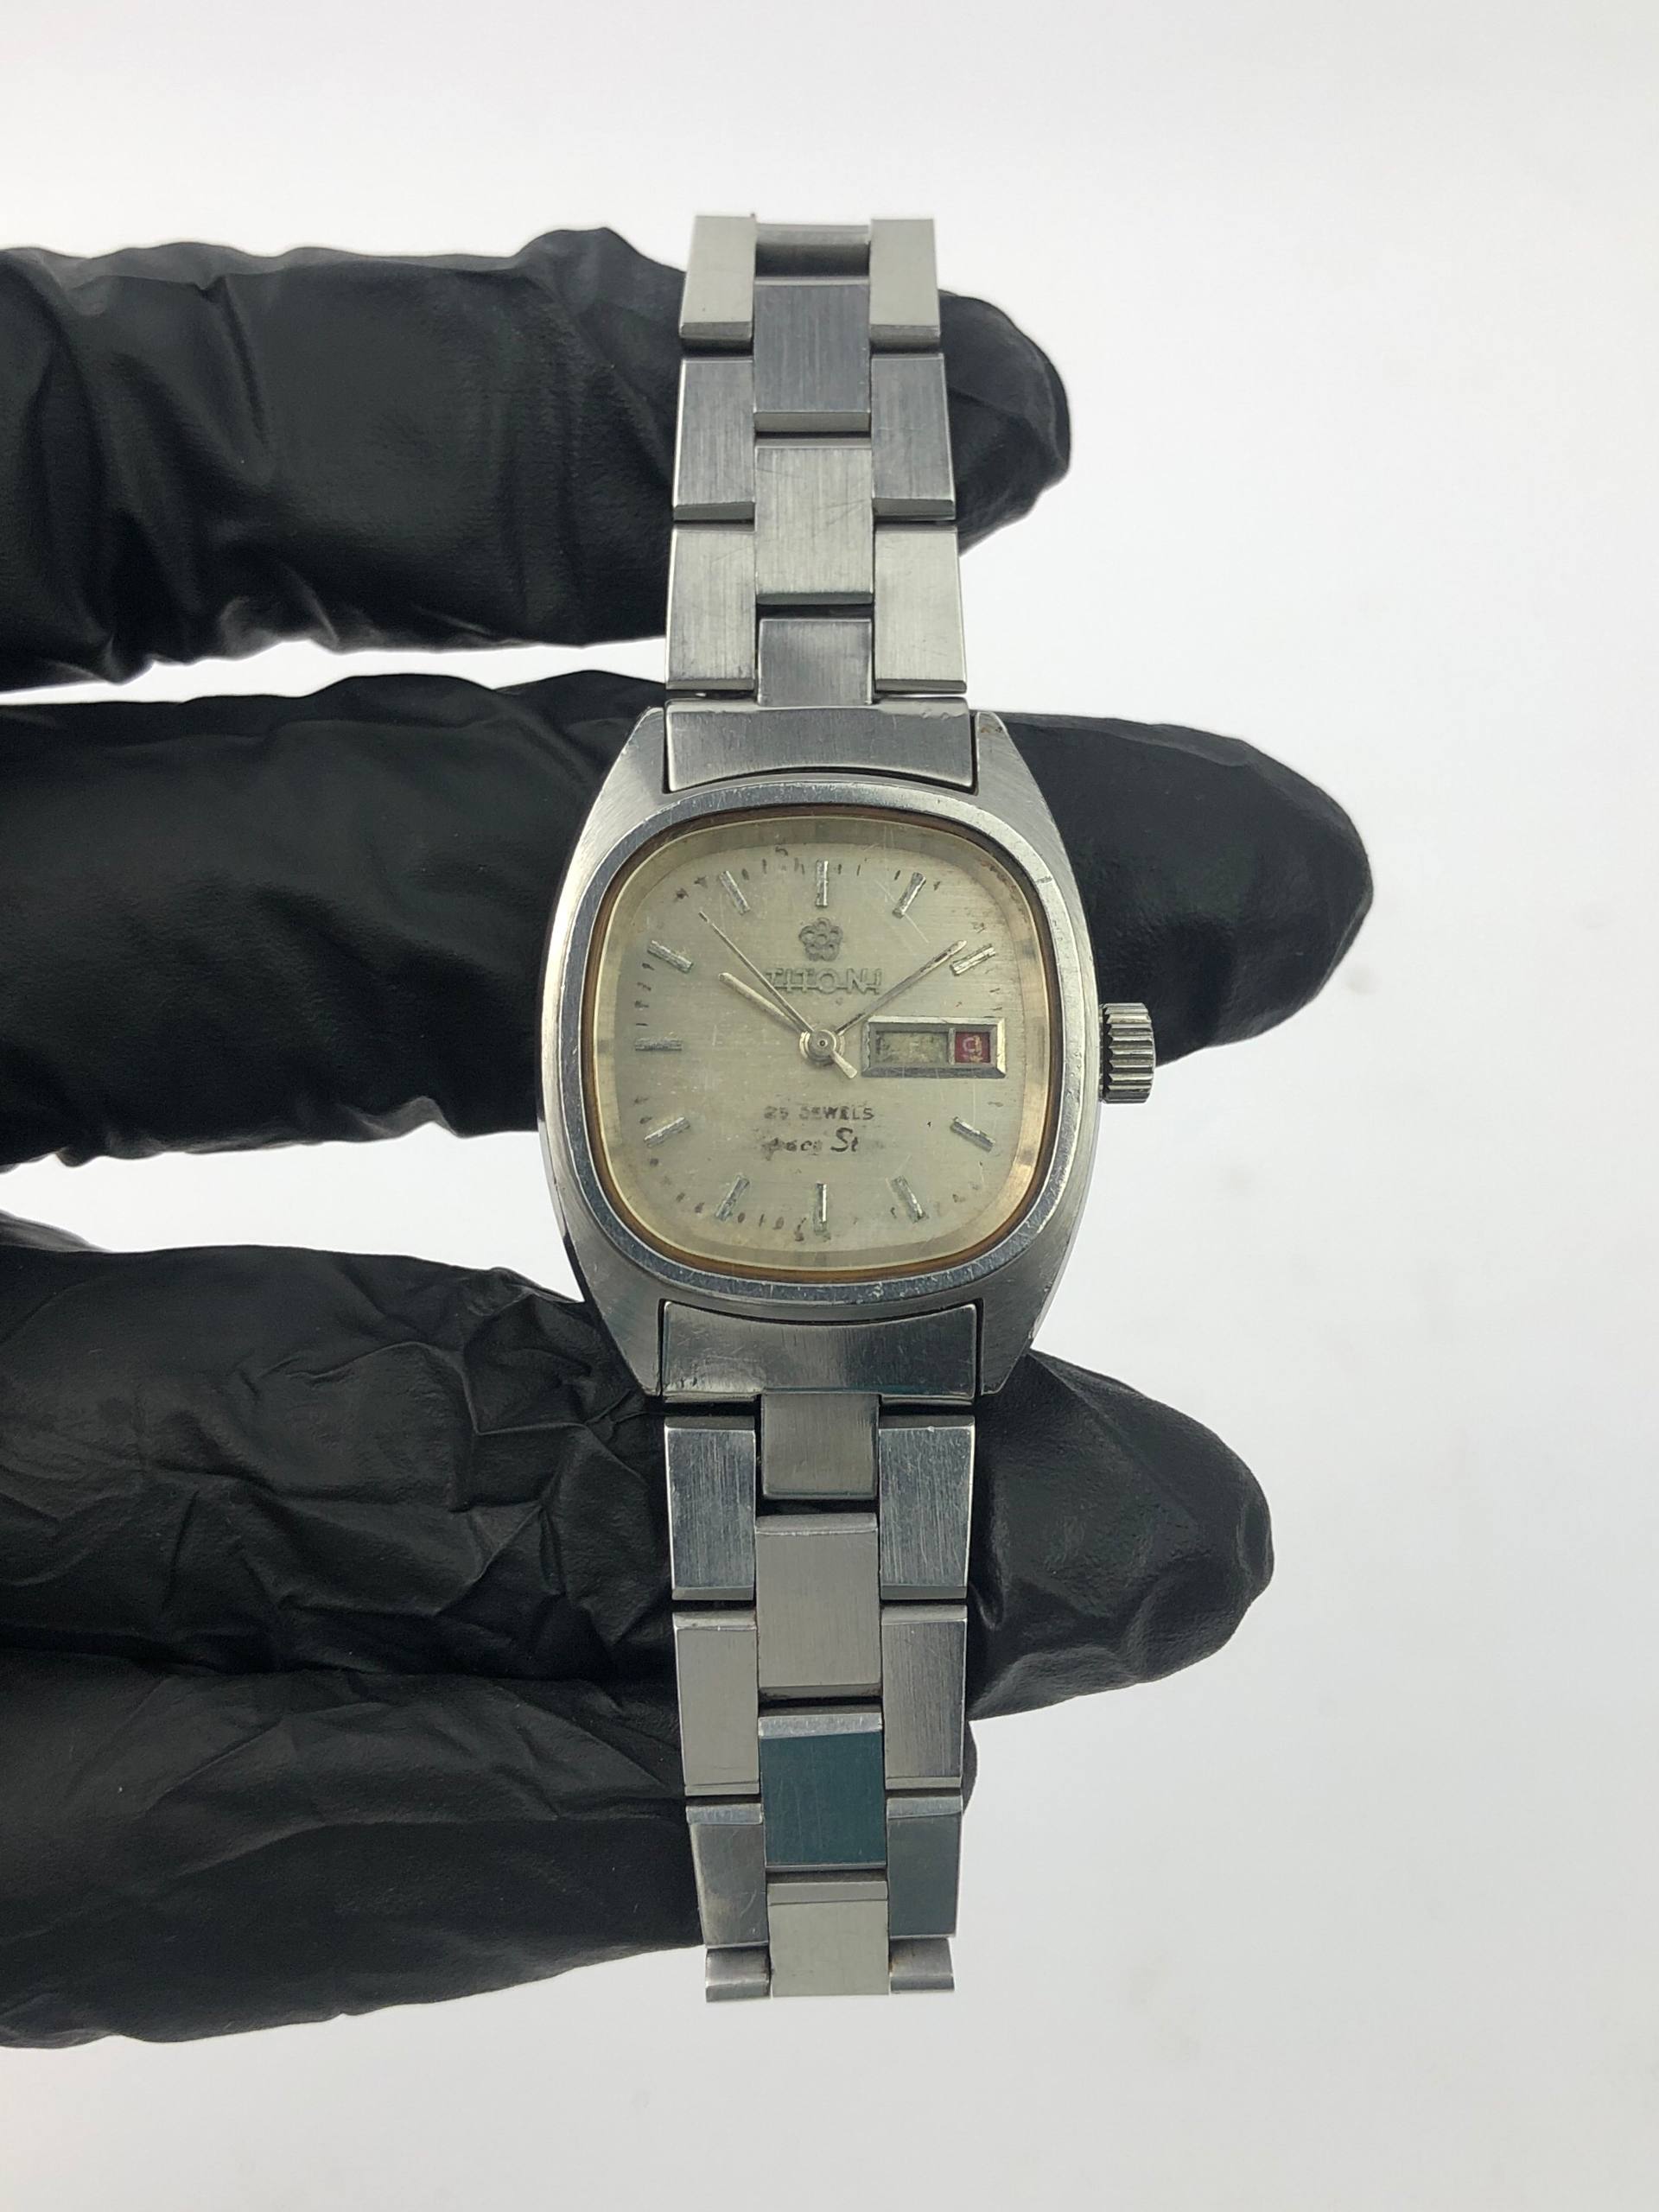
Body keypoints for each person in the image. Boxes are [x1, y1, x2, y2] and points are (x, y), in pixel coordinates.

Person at [0, 226, 1370, 2044]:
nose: (829, 1047)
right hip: (733, 1249)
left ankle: (818, 1860)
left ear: (1082, 1058)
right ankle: (817, 1859)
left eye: (858, 1037)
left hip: (817, 1257)